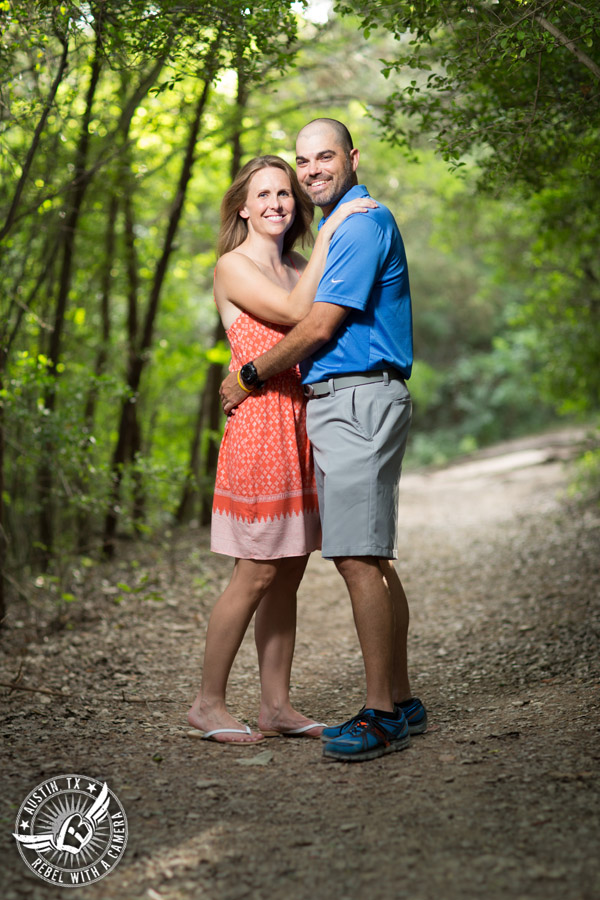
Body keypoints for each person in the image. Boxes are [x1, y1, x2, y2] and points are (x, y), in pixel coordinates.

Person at [220, 119, 427, 762]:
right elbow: (300, 311)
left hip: (357, 398)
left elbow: (315, 325)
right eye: (300, 162)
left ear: (352, 158)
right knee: (366, 557)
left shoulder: (358, 224)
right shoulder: (324, 237)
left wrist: (248, 375)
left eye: (322, 158)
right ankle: (400, 698)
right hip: (333, 407)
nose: (309, 173)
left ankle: (381, 714)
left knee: (358, 556)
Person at [187, 155, 377, 744]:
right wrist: (339, 221)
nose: (276, 203)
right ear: (242, 206)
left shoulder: (298, 263)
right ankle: (207, 703)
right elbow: (299, 316)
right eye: (264, 194)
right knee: (256, 571)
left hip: (304, 421)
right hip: (259, 429)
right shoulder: (233, 267)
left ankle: (276, 706)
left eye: (285, 194)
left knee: (289, 573)